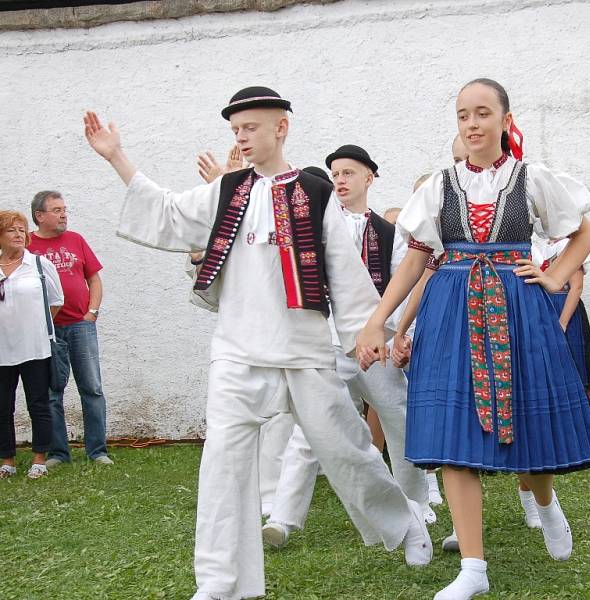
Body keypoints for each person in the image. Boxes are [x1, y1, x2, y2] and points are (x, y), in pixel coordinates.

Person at [82, 86, 431, 600]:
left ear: (280, 128)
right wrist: (117, 157)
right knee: (221, 465)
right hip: (237, 351)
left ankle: (405, 524)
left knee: (347, 450)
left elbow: (342, 266)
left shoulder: (315, 192)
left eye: (249, 128)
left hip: (305, 350)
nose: (241, 138)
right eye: (235, 130)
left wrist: (365, 330)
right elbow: (169, 213)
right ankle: (221, 584)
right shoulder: (225, 191)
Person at [357, 78, 590, 600]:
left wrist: (556, 276)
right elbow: (417, 257)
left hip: (518, 307)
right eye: (463, 115)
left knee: (529, 421)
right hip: (452, 310)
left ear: (504, 120)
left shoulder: (531, 177)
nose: (472, 124)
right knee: (452, 433)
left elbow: (584, 233)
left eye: (482, 113)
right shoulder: (438, 185)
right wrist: (379, 319)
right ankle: (474, 567)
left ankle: (544, 503)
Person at [262, 146, 429, 546]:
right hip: (326, 343)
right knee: (311, 427)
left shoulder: (391, 234)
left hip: (377, 345)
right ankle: (283, 517)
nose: (339, 180)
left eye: (349, 172)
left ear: (369, 178)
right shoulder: (311, 230)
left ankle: (415, 505)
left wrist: (390, 333)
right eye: (335, 173)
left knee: (400, 420)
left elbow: (400, 289)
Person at [28, 191, 112, 466]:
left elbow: (94, 279)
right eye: (56, 210)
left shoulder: (76, 240)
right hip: (47, 330)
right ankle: (58, 453)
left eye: (65, 209)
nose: (64, 214)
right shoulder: (28, 245)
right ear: (40, 216)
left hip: (80, 325)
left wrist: (92, 312)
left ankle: (97, 450)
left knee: (92, 387)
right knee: (52, 391)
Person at [0, 211, 63, 479]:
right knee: (3, 406)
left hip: (34, 347)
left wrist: (33, 326)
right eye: (11, 230)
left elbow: (56, 302)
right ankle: (7, 460)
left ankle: (39, 458)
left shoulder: (38, 264)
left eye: (21, 229)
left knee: (38, 403)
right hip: (2, 349)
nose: (18, 234)